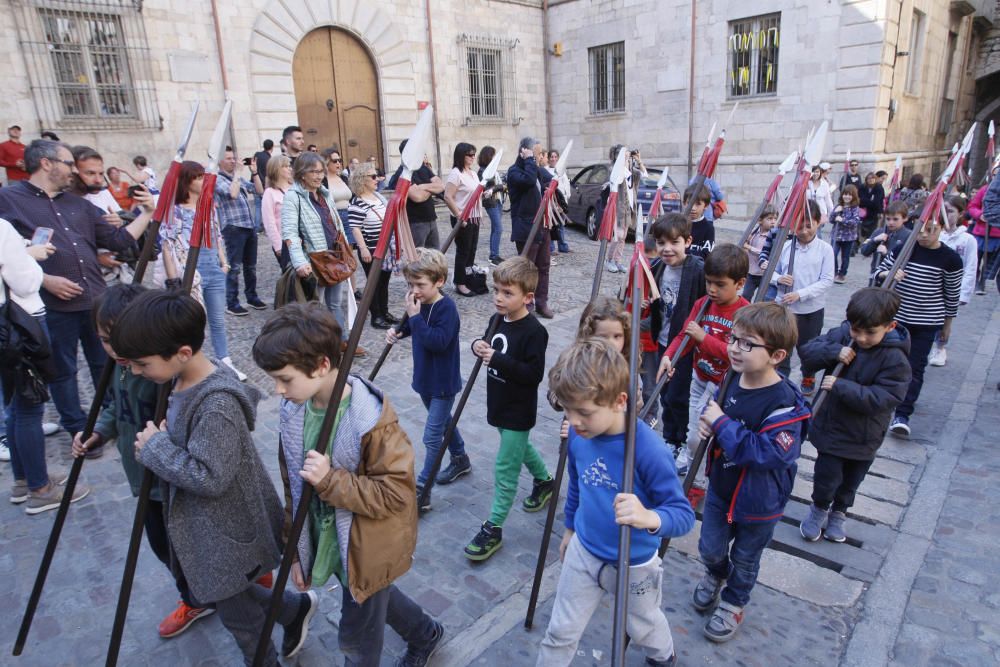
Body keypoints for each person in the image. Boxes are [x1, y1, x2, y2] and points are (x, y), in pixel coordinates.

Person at [114, 290, 317, 666]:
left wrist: (157, 449)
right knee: (233, 597)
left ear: (183, 354)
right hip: (209, 531)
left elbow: (209, 476)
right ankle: (293, 610)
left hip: (227, 535)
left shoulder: (217, 403)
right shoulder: (181, 381)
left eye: (142, 364)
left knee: (240, 620)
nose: (136, 373)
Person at [252, 302, 444, 666]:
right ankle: (425, 632)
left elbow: (396, 494)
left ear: (322, 366)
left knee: (357, 639)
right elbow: (295, 482)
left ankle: (422, 635)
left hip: (367, 546)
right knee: (371, 594)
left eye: (285, 379)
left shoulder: (372, 422)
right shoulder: (297, 409)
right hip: (331, 540)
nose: (277, 390)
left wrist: (331, 481)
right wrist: (296, 549)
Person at [71, 283, 220, 635]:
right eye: (105, 340)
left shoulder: (159, 373)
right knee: (162, 546)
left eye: (120, 339)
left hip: (170, 481)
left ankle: (205, 595)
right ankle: (201, 592)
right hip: (141, 477)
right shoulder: (121, 368)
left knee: (190, 546)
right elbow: (114, 408)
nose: (114, 349)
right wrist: (98, 432)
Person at [537, 339, 694, 666]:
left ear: (620, 401)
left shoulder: (649, 450)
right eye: (567, 409)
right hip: (585, 551)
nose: (573, 421)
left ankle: (663, 657)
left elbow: (682, 515)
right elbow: (578, 484)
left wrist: (648, 516)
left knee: (644, 627)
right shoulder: (581, 435)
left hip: (634, 563)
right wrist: (569, 529)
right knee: (559, 632)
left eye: (584, 412)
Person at [0, 139, 154, 437]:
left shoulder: (78, 204)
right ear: (46, 163)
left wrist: (147, 214)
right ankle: (76, 426)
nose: (74, 171)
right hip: (51, 305)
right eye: (68, 164)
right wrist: (45, 279)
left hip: (94, 300)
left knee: (104, 363)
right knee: (62, 370)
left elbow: (119, 241)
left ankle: (108, 420)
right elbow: (6, 255)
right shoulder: (9, 200)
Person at [692, 302, 809, 642]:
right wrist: (708, 424)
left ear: (776, 355)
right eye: (733, 338)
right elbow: (713, 410)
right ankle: (715, 573)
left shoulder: (785, 403)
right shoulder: (731, 377)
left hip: (759, 501)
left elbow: (766, 452)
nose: (734, 348)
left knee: (745, 559)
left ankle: (733, 602)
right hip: (721, 487)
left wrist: (722, 424)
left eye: (747, 343)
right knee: (710, 548)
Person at [799, 288, 911, 542]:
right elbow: (808, 351)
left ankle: (839, 511)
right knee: (826, 476)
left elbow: (887, 397)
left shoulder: (895, 358)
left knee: (851, 480)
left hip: (864, 435)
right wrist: (832, 352)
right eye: (855, 330)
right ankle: (819, 508)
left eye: (869, 332)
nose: (860, 338)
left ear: (890, 326)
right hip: (831, 428)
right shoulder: (844, 334)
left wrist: (840, 386)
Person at [464, 257, 553, 561]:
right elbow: (489, 343)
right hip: (498, 403)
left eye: (507, 293)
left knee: (506, 467)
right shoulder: (497, 319)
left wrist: (496, 359)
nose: (499, 298)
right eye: (497, 291)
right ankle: (545, 482)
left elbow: (533, 375)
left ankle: (494, 527)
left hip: (518, 409)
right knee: (519, 448)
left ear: (528, 298)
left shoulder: (534, 332)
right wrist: (477, 344)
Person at [1, 216, 83, 514]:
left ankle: (25, 480)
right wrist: (29, 256)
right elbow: (26, 281)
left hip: (7, 325)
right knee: (28, 405)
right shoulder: (2, 229)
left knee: (14, 404)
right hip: (20, 323)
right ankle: (40, 488)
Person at [384, 249, 469, 511]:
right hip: (424, 379)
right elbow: (413, 327)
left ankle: (423, 489)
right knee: (443, 423)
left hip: (443, 382)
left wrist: (414, 318)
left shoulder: (447, 309)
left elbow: (437, 342)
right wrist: (398, 331)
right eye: (411, 284)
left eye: (420, 285)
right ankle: (460, 457)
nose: (415, 290)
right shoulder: (419, 305)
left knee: (432, 437)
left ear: (439, 281)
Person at [657, 244, 748, 486]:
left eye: (720, 284)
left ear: (740, 284)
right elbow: (685, 336)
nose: (712, 289)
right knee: (693, 426)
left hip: (722, 384)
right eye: (709, 282)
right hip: (700, 376)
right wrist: (670, 355)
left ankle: (698, 478)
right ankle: (691, 460)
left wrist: (703, 338)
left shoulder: (744, 314)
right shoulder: (703, 304)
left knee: (700, 431)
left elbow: (736, 355)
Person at [873, 215, 962, 437]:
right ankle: (879, 401)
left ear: (941, 229)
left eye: (930, 230)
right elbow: (878, 273)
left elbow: (952, 295)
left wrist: (947, 325)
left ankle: (903, 414)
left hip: (927, 320)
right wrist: (889, 273)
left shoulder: (950, 259)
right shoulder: (905, 249)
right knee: (885, 360)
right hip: (897, 317)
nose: (923, 235)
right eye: (920, 230)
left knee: (915, 366)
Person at [160, 160, 245, 381]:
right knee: (192, 323)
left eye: (202, 176)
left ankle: (225, 362)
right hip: (190, 271)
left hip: (213, 268)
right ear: (187, 182)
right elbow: (167, 245)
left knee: (218, 319)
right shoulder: (175, 211)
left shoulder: (209, 205)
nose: (202, 181)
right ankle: (191, 368)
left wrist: (224, 262)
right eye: (197, 177)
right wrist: (173, 281)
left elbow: (217, 235)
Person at [644, 213, 706, 453]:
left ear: (688, 242)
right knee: (666, 391)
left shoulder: (698, 270)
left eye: (674, 242)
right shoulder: (657, 267)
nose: (667, 249)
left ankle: (678, 440)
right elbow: (658, 303)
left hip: (685, 344)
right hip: (663, 340)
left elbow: (706, 303)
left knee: (679, 394)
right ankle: (671, 438)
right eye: (661, 243)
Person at [770, 201, 835, 395]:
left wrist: (801, 294)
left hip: (810, 310)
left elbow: (826, 280)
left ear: (818, 223)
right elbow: (770, 270)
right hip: (784, 308)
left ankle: (808, 374)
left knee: (808, 348)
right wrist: (778, 278)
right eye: (800, 225)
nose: (804, 230)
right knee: (783, 346)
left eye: (809, 225)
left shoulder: (825, 250)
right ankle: (781, 379)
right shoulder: (786, 246)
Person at [282, 152, 349, 330]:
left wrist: (345, 248)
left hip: (334, 255)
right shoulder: (293, 197)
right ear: (302, 173)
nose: (319, 176)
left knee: (335, 304)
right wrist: (299, 262)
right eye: (314, 172)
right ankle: (318, 344)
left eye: (321, 171)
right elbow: (290, 234)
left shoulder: (325, 194)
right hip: (314, 260)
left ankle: (342, 340)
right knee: (315, 306)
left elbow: (337, 223)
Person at [507, 138, 555, 316]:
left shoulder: (535, 169)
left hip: (542, 225)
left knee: (544, 266)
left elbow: (551, 179)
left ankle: (542, 302)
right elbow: (528, 181)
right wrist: (529, 160)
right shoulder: (514, 172)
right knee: (527, 268)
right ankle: (525, 304)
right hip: (526, 227)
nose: (538, 157)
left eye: (539, 154)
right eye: (535, 153)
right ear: (524, 151)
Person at [73, 145, 133, 286]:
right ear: (74, 172)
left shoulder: (103, 193)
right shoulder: (65, 201)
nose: (98, 180)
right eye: (90, 173)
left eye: (101, 174)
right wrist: (95, 257)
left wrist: (121, 221)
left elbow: (122, 218)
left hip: (117, 270)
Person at [215, 146, 265, 316]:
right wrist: (237, 174)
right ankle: (232, 302)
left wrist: (255, 172)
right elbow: (233, 194)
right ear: (220, 161)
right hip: (233, 228)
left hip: (249, 226)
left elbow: (259, 190)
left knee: (251, 266)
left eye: (233, 158)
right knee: (234, 267)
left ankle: (252, 297)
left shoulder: (238, 178)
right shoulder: (217, 180)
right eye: (229, 159)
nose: (233, 162)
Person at [348, 161, 396, 329]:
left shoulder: (378, 197)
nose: (378, 179)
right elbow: (355, 228)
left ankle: (385, 311)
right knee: (373, 282)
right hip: (371, 247)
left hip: (386, 246)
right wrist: (363, 249)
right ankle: (376, 316)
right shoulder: (357, 203)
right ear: (363, 179)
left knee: (384, 281)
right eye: (374, 176)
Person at [388, 139, 445, 250]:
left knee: (434, 256)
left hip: (431, 219)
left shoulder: (423, 167)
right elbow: (417, 197)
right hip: (415, 223)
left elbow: (441, 185)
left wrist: (422, 187)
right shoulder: (402, 174)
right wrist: (432, 188)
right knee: (418, 259)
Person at [444, 142, 484, 298]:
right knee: (463, 251)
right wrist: (459, 214)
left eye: (474, 154)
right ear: (461, 156)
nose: (473, 157)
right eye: (470, 154)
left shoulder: (472, 173)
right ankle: (459, 283)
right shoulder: (456, 173)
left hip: (474, 217)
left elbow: (475, 192)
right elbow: (448, 196)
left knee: (472, 250)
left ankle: (467, 277)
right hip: (463, 218)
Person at [860, 201, 911, 277]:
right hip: (876, 276)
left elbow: (906, 259)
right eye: (888, 219)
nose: (891, 222)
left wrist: (887, 253)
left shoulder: (908, 235)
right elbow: (864, 251)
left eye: (895, 219)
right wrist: (874, 240)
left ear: (905, 218)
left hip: (894, 279)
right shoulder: (879, 232)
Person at [968, 173, 1000, 292]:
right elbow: (972, 206)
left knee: (989, 264)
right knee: (975, 261)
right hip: (981, 233)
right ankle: (974, 281)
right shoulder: (985, 190)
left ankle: (983, 283)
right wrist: (980, 215)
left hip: (997, 235)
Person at [261, 154, 293, 268]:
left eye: (289, 165)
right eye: (285, 166)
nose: (289, 168)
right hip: (285, 242)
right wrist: (278, 245)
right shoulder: (270, 193)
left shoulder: (295, 188)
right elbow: (269, 222)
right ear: (277, 169)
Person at [741, 205, 777, 300]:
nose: (773, 221)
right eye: (769, 219)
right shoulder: (754, 233)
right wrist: (752, 248)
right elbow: (743, 243)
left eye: (775, 218)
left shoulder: (773, 236)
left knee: (762, 298)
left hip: (764, 274)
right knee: (746, 295)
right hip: (751, 272)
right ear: (760, 220)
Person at [479, 145, 505, 264]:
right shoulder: (483, 171)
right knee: (498, 228)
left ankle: (494, 254)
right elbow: (485, 189)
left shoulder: (492, 169)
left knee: (496, 228)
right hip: (491, 203)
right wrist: (500, 187)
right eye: (493, 155)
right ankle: (493, 256)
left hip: (497, 201)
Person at [830, 184, 862, 283]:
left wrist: (843, 220)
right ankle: (833, 272)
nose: (847, 197)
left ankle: (842, 274)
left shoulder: (855, 208)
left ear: (853, 196)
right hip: (836, 236)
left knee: (845, 257)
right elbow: (831, 219)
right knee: (833, 254)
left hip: (848, 237)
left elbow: (855, 221)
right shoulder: (839, 206)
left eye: (849, 195)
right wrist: (836, 212)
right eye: (845, 194)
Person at [546, 147, 571, 255]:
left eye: (555, 157)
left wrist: (566, 200)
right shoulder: (547, 171)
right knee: (551, 225)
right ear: (548, 158)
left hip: (562, 201)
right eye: (552, 157)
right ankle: (551, 247)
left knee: (561, 225)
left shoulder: (562, 171)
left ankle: (563, 246)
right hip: (553, 203)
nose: (554, 159)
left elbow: (566, 185)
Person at [684, 184, 715, 259]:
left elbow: (706, 255)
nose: (693, 208)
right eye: (690, 203)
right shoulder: (678, 224)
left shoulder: (708, 228)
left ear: (706, 206)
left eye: (698, 204)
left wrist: (683, 252)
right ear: (684, 203)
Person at [254, 139, 275, 231]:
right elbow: (269, 175)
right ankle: (267, 226)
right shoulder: (269, 159)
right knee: (267, 208)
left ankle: (257, 226)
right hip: (264, 185)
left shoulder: (257, 155)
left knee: (258, 206)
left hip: (255, 182)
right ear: (272, 147)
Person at [857, 171, 884, 242]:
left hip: (874, 213)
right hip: (863, 213)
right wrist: (870, 201)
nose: (871, 180)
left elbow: (878, 201)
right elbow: (860, 200)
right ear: (866, 179)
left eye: (872, 178)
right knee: (862, 230)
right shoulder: (862, 187)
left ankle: (868, 243)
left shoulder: (879, 188)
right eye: (869, 178)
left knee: (872, 231)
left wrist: (880, 211)